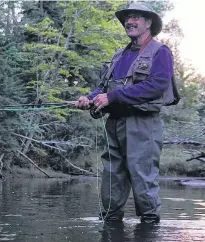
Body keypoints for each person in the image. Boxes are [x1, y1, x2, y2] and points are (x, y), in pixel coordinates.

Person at [76, 2, 179, 224]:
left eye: (135, 17)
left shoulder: (160, 52)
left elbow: (157, 85)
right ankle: (111, 224)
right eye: (127, 18)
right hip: (114, 123)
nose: (129, 22)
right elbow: (104, 88)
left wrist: (111, 98)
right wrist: (90, 98)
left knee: (142, 178)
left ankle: (150, 228)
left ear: (148, 22)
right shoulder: (118, 56)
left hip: (143, 125)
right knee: (111, 177)